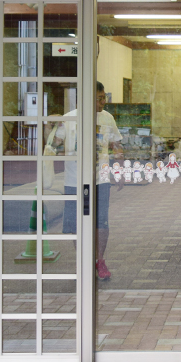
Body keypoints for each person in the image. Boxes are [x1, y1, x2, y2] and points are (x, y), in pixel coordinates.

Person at [49, 82, 123, 280]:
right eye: (98, 98)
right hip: (75, 180)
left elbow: (116, 145)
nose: (102, 102)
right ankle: (83, 261)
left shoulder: (107, 118)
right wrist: (48, 127)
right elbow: (53, 145)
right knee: (75, 223)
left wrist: (119, 171)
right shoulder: (69, 119)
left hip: (101, 179)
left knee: (101, 222)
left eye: (104, 97)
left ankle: (99, 260)